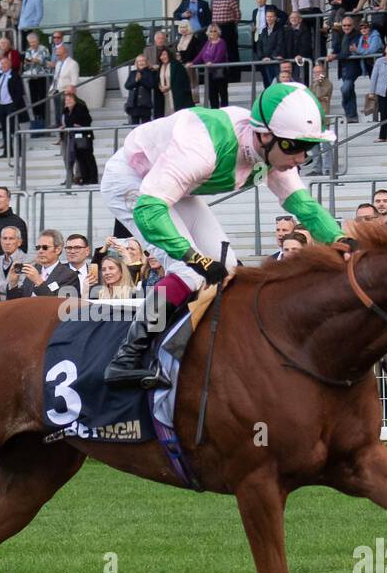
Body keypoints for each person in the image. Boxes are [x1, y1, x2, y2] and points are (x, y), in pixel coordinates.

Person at [101, 83, 342, 387]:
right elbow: (150, 210)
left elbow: (305, 208)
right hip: (132, 181)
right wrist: (193, 257)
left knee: (228, 269)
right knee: (189, 272)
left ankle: (189, 348)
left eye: (309, 148)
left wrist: (343, 240)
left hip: (174, 184)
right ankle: (126, 359)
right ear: (265, 136)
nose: (301, 158)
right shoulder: (203, 148)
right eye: (295, 147)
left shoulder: (271, 150)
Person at [4, 229, 80, 299]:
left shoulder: (69, 276)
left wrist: (38, 281)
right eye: (38, 247)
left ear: (58, 250)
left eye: (45, 247)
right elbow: (18, 302)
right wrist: (13, 284)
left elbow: (61, 305)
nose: (40, 251)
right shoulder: (34, 270)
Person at [63, 90, 99, 185]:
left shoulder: (80, 108)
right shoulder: (66, 111)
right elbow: (68, 123)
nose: (68, 102)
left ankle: (93, 178)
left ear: (75, 100)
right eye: (66, 100)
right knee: (80, 158)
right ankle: (85, 178)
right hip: (74, 136)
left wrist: (81, 125)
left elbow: (88, 119)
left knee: (87, 156)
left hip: (84, 135)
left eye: (70, 99)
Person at [124, 55, 158, 125]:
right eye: (139, 61)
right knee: (134, 127)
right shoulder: (133, 73)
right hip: (133, 105)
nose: (141, 63)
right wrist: (136, 81)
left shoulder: (150, 73)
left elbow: (151, 85)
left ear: (146, 62)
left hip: (145, 105)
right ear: (136, 63)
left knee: (145, 127)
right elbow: (127, 86)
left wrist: (141, 79)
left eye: (143, 61)